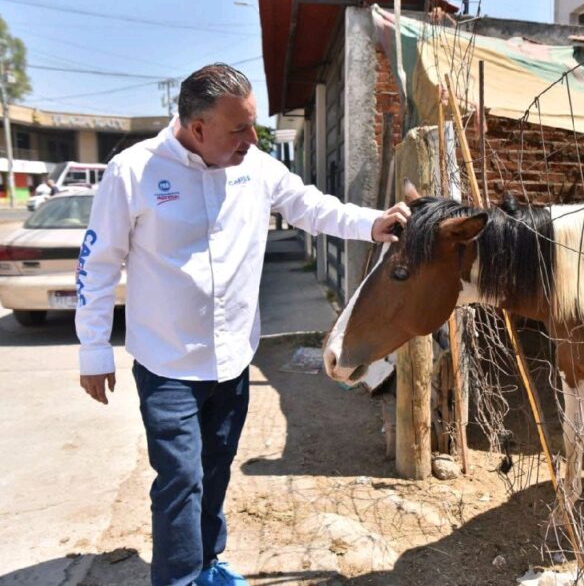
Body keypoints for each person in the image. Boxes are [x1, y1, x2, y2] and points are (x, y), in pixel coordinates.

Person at [75, 63, 410, 586]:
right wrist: (93, 349)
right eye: (239, 129)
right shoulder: (133, 171)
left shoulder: (256, 167)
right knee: (179, 479)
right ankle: (179, 579)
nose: (253, 139)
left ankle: (208, 561)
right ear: (197, 126)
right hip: (167, 365)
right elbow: (96, 266)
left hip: (232, 359)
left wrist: (371, 222)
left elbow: (309, 206)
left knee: (214, 468)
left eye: (254, 125)